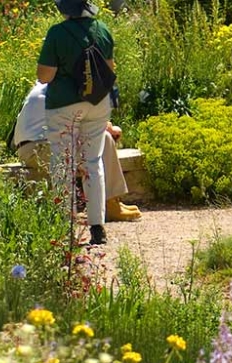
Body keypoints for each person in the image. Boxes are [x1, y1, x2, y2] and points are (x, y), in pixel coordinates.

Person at [37, 0, 116, 244]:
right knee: (93, 162)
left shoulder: (57, 33)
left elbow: (44, 76)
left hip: (64, 106)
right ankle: (97, 228)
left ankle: (65, 228)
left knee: (63, 163)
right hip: (97, 104)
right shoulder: (102, 29)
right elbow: (110, 69)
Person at [13, 82, 141, 223]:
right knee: (104, 139)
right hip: (40, 147)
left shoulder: (51, 84)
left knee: (100, 139)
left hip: (29, 148)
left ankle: (108, 202)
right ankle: (109, 205)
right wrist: (108, 128)